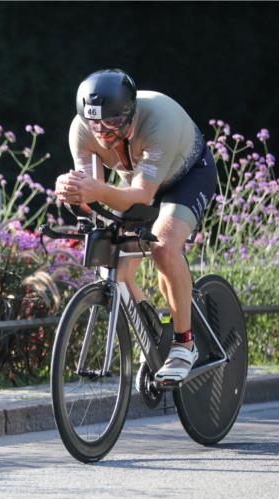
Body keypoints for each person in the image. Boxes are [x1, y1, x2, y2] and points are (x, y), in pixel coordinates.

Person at [55, 69, 218, 383]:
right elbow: (95, 199)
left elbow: (141, 195)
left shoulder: (159, 118)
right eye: (95, 123)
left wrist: (93, 190)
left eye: (113, 123)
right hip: (135, 184)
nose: (102, 132)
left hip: (186, 178)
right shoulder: (82, 131)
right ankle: (153, 333)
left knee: (164, 247)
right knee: (113, 267)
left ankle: (185, 343)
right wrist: (73, 191)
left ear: (131, 113)